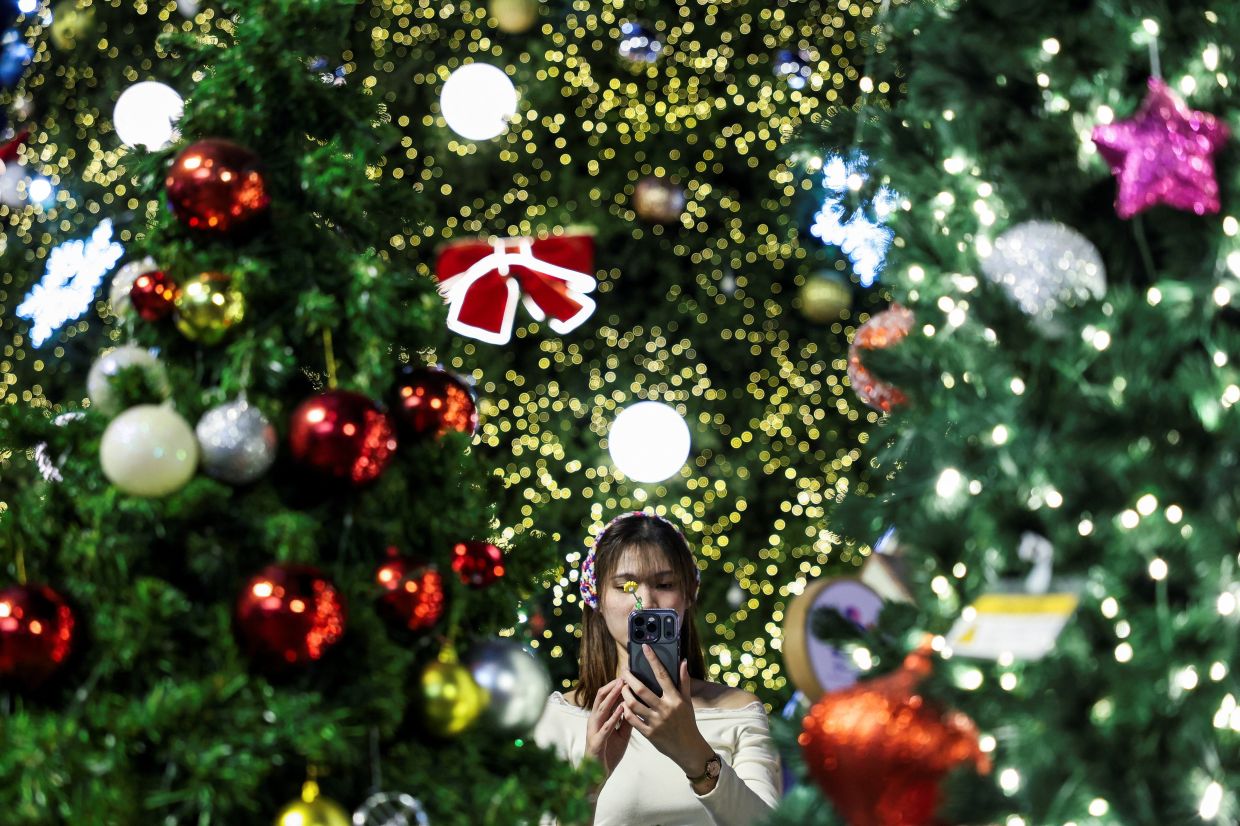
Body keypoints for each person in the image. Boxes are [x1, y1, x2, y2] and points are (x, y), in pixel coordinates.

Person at [535, 511, 781, 826]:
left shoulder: (739, 712)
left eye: (664, 584)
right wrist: (589, 783)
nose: (645, 602)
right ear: (596, 598)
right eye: (625, 587)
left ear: (688, 594)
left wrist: (694, 752)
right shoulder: (561, 717)